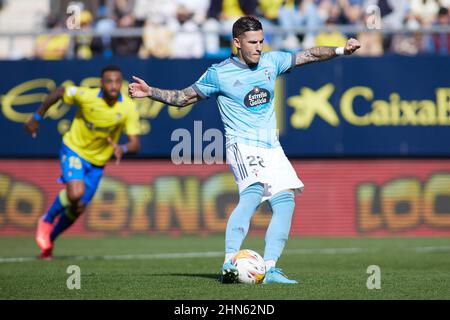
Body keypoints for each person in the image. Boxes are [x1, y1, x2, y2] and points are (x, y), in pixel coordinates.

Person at [128, 16, 360, 284]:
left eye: (262, 41)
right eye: (253, 42)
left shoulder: (271, 62)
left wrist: (342, 49)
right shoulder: (219, 73)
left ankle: (270, 268)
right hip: (242, 144)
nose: (259, 47)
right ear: (237, 43)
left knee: (285, 203)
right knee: (252, 194)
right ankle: (229, 261)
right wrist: (151, 92)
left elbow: (309, 55)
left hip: (272, 146)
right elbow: (183, 98)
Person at [25, 65, 141, 259]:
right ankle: (46, 220)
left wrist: (123, 148)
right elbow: (60, 92)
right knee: (75, 192)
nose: (113, 86)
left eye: (117, 82)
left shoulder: (127, 107)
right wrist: (36, 117)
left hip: (97, 162)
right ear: (101, 83)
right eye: (109, 81)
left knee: (78, 207)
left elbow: (135, 143)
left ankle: (49, 242)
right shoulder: (86, 96)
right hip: (74, 149)